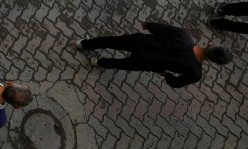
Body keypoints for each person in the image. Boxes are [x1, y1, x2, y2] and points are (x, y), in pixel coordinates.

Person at [78, 21, 232, 88]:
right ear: (214, 62)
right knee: (120, 64)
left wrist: (148, 25)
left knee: (111, 41)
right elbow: (176, 83)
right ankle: (99, 62)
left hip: (140, 42)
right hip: (147, 63)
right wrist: (166, 74)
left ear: (211, 44)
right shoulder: (195, 72)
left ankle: (83, 44)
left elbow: (160, 28)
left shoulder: (183, 36)